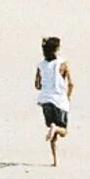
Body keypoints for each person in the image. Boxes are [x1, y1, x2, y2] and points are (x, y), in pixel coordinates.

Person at [33, 36, 75, 165]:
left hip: (45, 99)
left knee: (52, 128)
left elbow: (37, 85)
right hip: (59, 100)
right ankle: (55, 128)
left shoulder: (40, 65)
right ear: (56, 49)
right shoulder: (63, 64)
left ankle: (55, 161)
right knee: (63, 131)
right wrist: (68, 96)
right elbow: (71, 84)